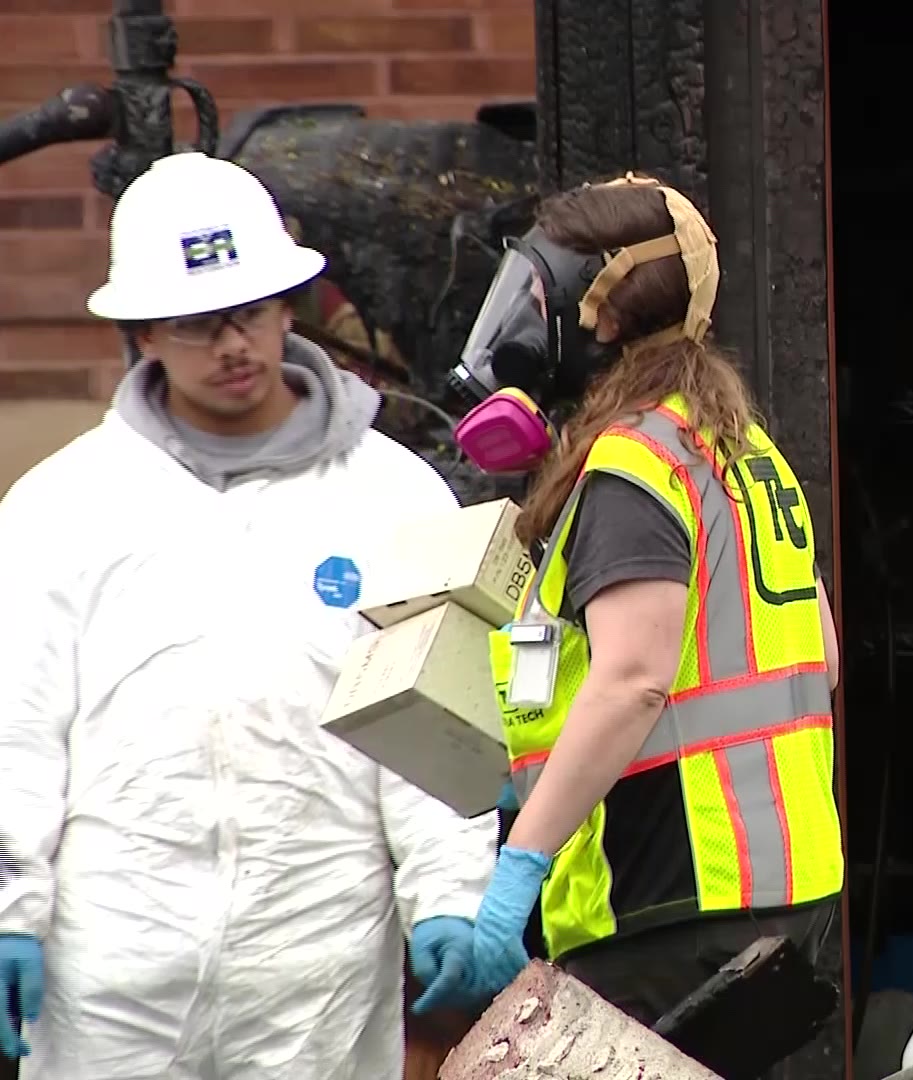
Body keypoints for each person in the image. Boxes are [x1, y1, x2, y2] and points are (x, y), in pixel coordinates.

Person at [0, 151, 498, 1077]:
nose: (233, 344)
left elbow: (436, 728)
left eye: (252, 311)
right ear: (144, 332)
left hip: (316, 971)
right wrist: (8, 911)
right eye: (197, 324)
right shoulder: (57, 509)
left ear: (287, 307)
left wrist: (450, 898)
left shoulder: (398, 497)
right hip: (112, 976)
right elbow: (18, 729)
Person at [444, 173, 844, 1031]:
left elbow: (633, 680)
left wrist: (521, 866)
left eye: (535, 299)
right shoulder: (740, 448)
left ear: (604, 319)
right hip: (783, 890)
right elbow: (824, 657)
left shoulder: (633, 461)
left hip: (670, 894)